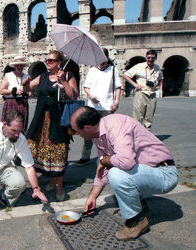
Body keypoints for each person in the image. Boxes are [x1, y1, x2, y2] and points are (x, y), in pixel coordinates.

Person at [70, 106, 178, 240]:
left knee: (116, 175)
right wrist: (92, 198)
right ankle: (139, 203)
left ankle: (136, 221)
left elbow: (126, 162)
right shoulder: (97, 134)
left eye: (75, 131)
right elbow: (103, 168)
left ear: (86, 128)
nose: (76, 135)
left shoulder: (116, 126)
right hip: (146, 173)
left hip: (164, 174)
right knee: (110, 167)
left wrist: (104, 160)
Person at [26, 50, 78, 201]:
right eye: (46, 60)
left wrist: (64, 82)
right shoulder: (42, 77)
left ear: (59, 63)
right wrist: (25, 85)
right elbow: (28, 88)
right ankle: (52, 180)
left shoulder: (68, 76)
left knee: (59, 152)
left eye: (51, 61)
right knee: (39, 151)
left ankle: (59, 185)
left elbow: (73, 96)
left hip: (59, 120)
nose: (47, 62)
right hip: (41, 120)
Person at [78, 48, 122, 165]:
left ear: (107, 58)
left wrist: (116, 102)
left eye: (103, 59)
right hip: (93, 106)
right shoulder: (92, 70)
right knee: (88, 133)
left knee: (106, 134)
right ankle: (85, 157)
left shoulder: (113, 70)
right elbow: (86, 87)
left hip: (107, 106)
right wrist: (91, 95)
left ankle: (107, 156)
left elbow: (118, 87)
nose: (100, 63)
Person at [123, 49, 163, 130]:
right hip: (141, 93)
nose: (150, 60)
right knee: (137, 117)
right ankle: (137, 137)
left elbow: (161, 78)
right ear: (146, 57)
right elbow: (126, 75)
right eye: (148, 58)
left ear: (155, 58)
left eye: (152, 58)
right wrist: (135, 84)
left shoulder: (157, 68)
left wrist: (158, 85)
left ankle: (146, 137)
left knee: (149, 119)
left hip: (152, 94)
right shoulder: (139, 66)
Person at [0, 56, 30, 131]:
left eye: (21, 65)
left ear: (23, 66)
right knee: (9, 125)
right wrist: (13, 92)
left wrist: (28, 93)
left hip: (22, 103)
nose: (19, 66)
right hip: (10, 103)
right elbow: (2, 91)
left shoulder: (27, 77)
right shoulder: (9, 75)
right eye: (18, 65)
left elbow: (29, 91)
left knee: (21, 126)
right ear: (15, 66)